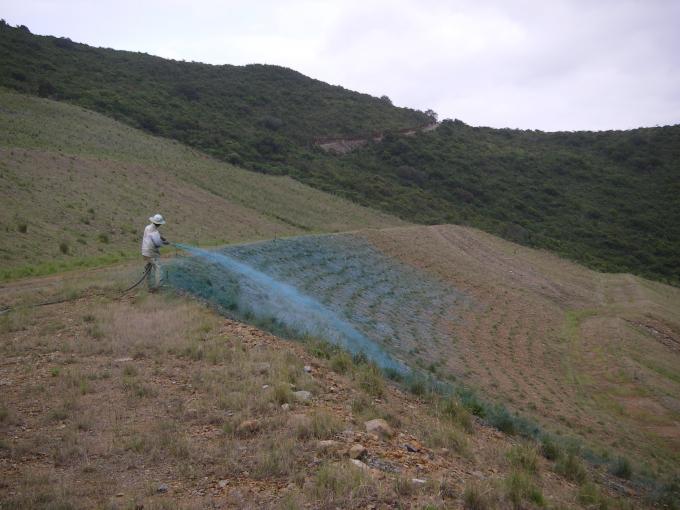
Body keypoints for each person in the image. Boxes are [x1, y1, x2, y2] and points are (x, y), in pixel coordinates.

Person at [141, 214, 169, 291]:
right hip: (151, 253)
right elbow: (157, 243)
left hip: (144, 252)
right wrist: (165, 242)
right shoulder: (155, 232)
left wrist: (162, 238)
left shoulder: (147, 227)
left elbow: (155, 236)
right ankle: (158, 286)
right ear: (159, 224)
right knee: (158, 268)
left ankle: (149, 286)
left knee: (148, 268)